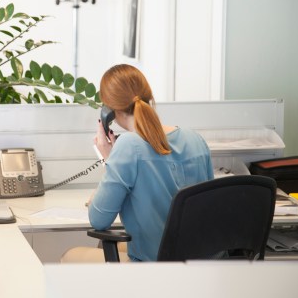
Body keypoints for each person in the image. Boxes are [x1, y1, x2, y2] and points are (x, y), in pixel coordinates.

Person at [61, 64, 214, 262]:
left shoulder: (128, 146)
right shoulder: (195, 139)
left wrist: (110, 160)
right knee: (107, 245)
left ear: (109, 111)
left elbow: (99, 220)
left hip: (156, 265)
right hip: (200, 262)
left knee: (70, 256)